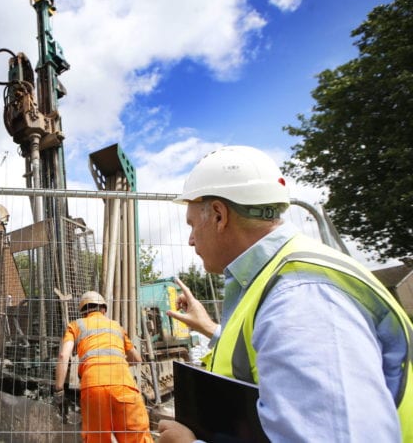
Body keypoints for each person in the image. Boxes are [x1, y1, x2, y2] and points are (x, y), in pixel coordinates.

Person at [158, 146, 412, 442]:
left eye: (191, 225)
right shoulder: (281, 278)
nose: (190, 240)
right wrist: (211, 330)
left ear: (218, 215)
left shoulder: (302, 297)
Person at [54, 291, 154, 443]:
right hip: (124, 386)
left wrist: (59, 390)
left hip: (93, 387)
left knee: (98, 439)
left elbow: (63, 356)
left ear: (83, 311)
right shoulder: (116, 327)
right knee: (137, 438)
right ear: (103, 309)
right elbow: (137, 358)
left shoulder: (75, 326)